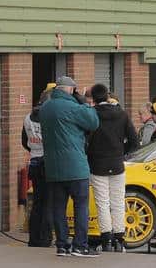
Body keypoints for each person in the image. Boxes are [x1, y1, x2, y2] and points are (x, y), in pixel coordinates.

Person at [39, 75, 100, 257]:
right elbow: (93, 122)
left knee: (58, 208)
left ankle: (62, 245)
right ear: (71, 89)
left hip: (53, 168)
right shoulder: (73, 107)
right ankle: (80, 245)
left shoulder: (46, 108)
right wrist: (82, 101)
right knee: (81, 206)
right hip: (75, 167)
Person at [87, 84, 139, 253]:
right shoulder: (122, 115)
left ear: (94, 99)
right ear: (107, 95)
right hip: (117, 165)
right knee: (118, 202)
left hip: (97, 165)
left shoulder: (92, 114)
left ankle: (106, 240)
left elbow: (85, 140)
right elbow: (134, 142)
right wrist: (120, 152)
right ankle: (119, 239)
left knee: (102, 203)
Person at [21, 84, 55, 247]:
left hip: (34, 163)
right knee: (48, 202)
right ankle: (45, 237)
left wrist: (34, 148)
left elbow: (24, 142)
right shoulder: (50, 117)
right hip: (48, 163)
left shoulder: (28, 117)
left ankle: (34, 238)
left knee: (37, 202)